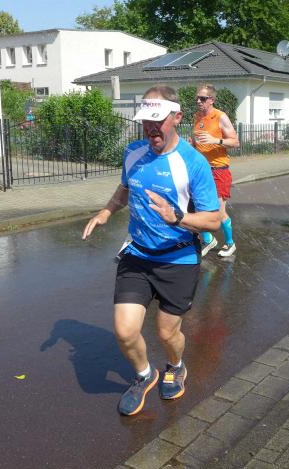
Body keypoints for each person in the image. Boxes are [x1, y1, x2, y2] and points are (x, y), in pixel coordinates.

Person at [82, 85, 220, 416]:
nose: (151, 128)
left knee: (167, 333)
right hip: (138, 255)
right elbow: (125, 188)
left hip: (178, 258)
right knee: (125, 330)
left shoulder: (194, 163)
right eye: (146, 121)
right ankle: (145, 375)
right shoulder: (133, 152)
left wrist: (178, 217)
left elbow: (214, 220)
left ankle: (176, 365)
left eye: (158, 121)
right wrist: (107, 211)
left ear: (177, 117)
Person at [191, 84, 240, 257]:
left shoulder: (220, 117)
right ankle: (208, 240)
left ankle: (230, 243)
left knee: (218, 212)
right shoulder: (197, 116)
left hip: (218, 169)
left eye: (203, 98)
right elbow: (196, 141)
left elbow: (235, 142)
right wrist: (190, 145)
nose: (199, 101)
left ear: (211, 100)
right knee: (199, 207)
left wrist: (216, 140)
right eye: (197, 98)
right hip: (200, 170)